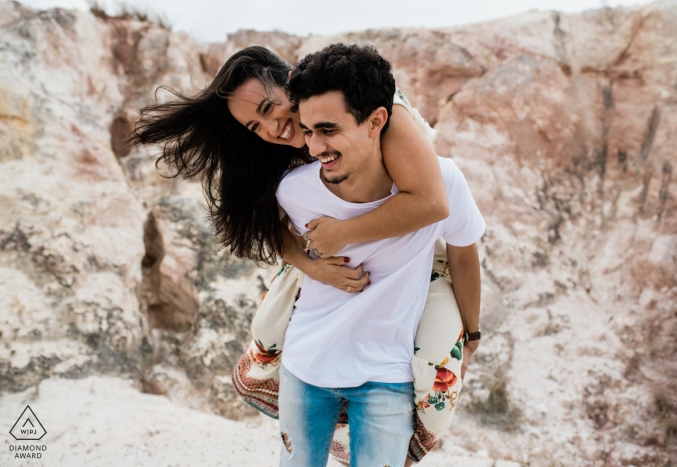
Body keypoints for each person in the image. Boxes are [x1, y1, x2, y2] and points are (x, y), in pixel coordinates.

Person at [132, 45, 480, 464]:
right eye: (253, 126)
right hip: (319, 270)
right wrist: (314, 265)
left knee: (439, 367)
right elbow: (268, 225)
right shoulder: (287, 170)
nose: (271, 128)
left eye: (268, 107)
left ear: (290, 79)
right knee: (269, 327)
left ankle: (402, 443)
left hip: (423, 249)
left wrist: (343, 234)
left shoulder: (382, 113)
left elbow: (431, 203)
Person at [267, 43, 485, 467]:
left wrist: (471, 335)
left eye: (328, 130)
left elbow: (463, 257)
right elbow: (266, 231)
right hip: (305, 366)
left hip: (386, 375)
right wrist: (311, 263)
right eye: (308, 131)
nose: (314, 147)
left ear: (376, 121)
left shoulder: (443, 183)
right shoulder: (295, 190)